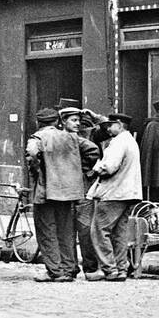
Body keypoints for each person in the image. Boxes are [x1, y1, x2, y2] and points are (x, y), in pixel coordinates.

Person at [26, 106, 88, 282]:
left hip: (45, 191)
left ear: (39, 123)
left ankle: (55, 271)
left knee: (47, 231)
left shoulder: (38, 136)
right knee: (66, 231)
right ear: (56, 122)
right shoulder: (71, 137)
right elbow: (92, 150)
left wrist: (38, 169)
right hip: (67, 192)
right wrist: (80, 171)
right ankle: (69, 269)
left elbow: (31, 153)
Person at [87, 113, 142, 281]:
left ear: (119, 124)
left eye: (110, 125)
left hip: (113, 193)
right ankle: (121, 268)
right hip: (128, 193)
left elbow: (108, 167)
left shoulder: (118, 142)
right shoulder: (130, 141)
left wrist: (95, 168)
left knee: (99, 231)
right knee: (119, 233)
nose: (108, 129)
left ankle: (108, 269)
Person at [60, 105, 103, 279]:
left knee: (85, 229)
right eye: (73, 120)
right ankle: (70, 268)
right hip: (66, 188)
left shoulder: (86, 135)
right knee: (67, 229)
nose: (77, 124)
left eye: (79, 120)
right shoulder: (60, 137)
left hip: (83, 188)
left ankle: (90, 268)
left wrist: (87, 171)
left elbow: (97, 147)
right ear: (63, 121)